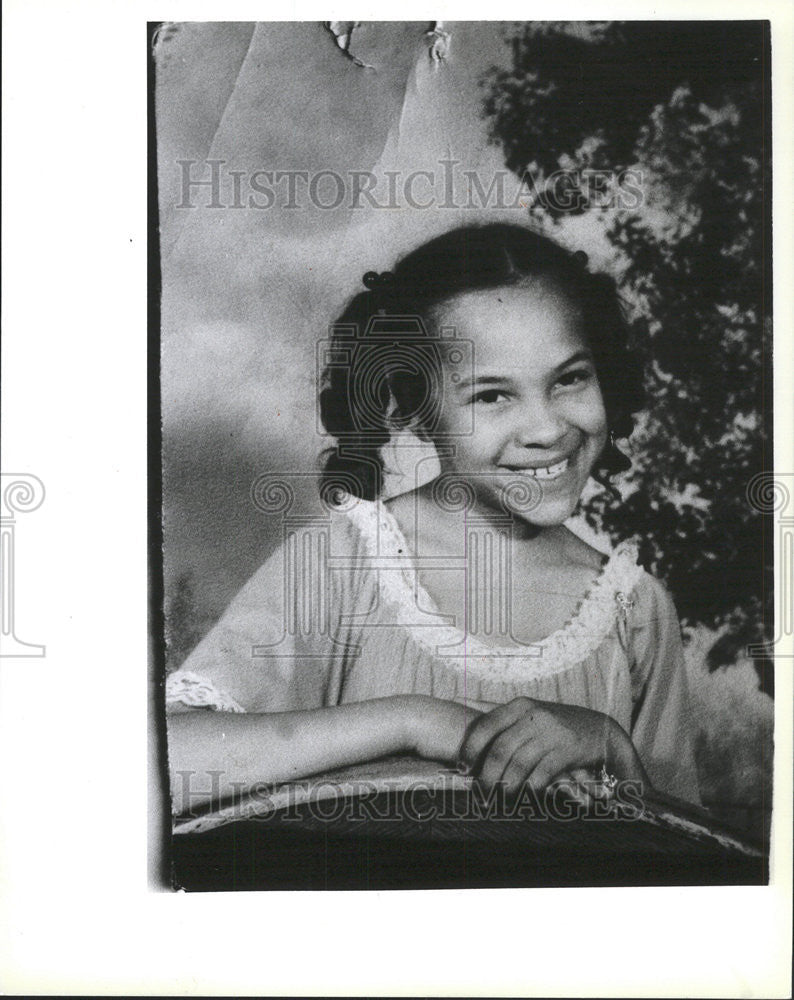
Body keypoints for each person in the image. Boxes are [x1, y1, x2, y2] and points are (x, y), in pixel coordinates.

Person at [166, 224, 701, 815]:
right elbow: (161, 768)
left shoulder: (636, 609)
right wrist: (415, 720)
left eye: (570, 378)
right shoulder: (340, 565)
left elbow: (684, 855)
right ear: (419, 413)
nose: (548, 429)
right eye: (492, 396)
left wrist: (608, 742)